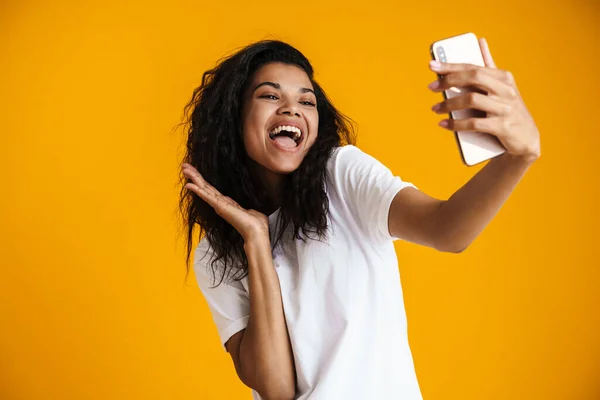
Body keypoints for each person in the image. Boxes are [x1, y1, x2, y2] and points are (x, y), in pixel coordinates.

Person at [178, 39, 540, 400]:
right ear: (234, 117)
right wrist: (256, 241)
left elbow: (446, 230)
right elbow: (276, 389)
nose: (292, 109)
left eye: (307, 101)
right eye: (270, 96)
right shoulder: (215, 254)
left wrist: (517, 157)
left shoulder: (340, 174)